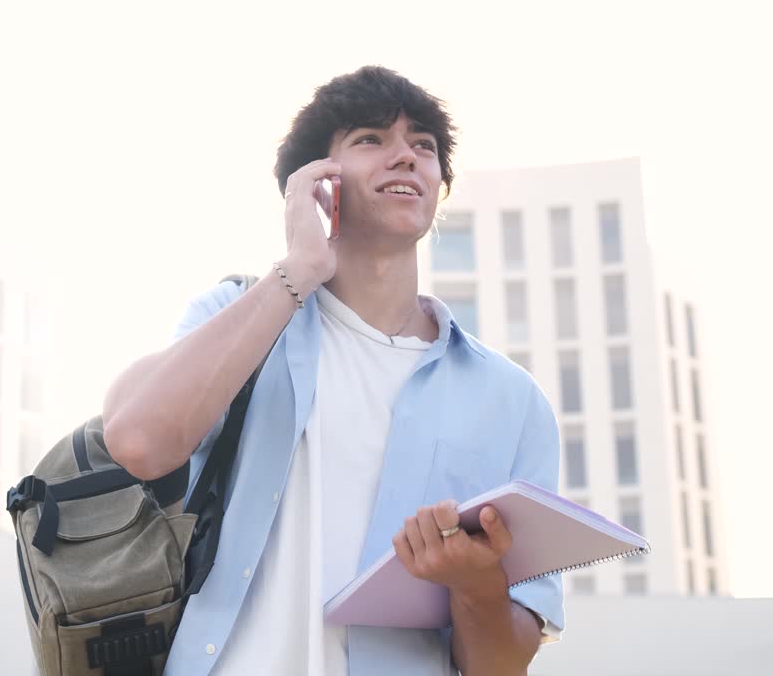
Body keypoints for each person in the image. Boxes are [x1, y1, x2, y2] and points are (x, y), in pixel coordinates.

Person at [101, 66, 563, 675]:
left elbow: (502, 666)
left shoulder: (512, 401)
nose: (406, 156)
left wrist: (474, 585)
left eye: (423, 146)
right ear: (316, 181)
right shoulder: (239, 317)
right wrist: (299, 267)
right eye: (371, 139)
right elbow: (137, 441)